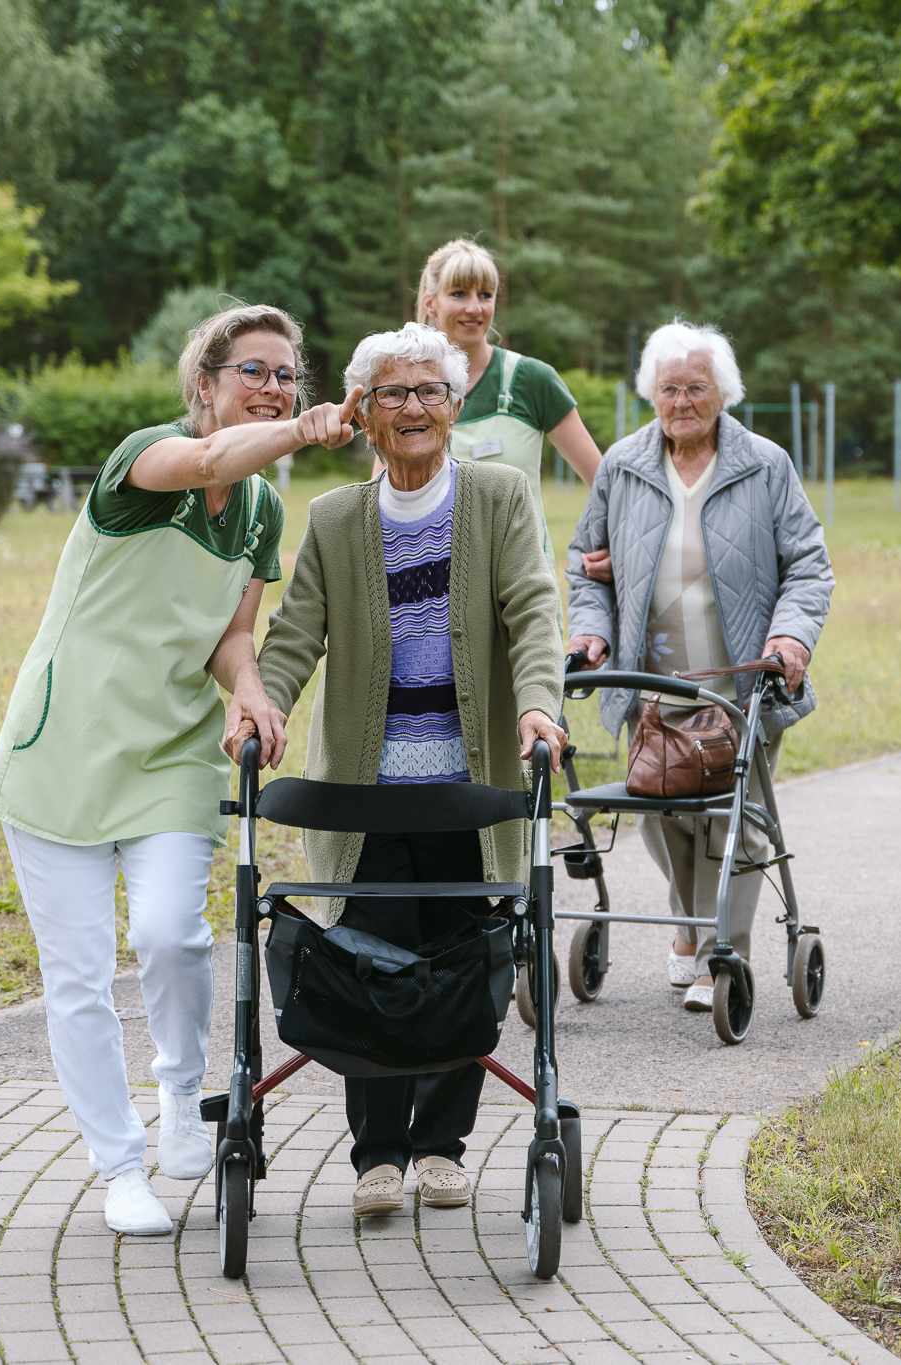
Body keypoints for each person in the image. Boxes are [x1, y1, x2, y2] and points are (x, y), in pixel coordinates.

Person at [0, 303, 359, 1236]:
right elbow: (209, 461)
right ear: (206, 385)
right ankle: (118, 1166)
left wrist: (250, 692)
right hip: (63, 746)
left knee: (172, 936)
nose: (274, 387)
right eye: (254, 372)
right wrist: (302, 429)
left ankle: (184, 1100)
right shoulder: (146, 459)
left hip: (174, 753)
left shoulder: (266, 509)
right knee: (75, 978)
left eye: (287, 376)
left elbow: (232, 635)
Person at [245, 321, 566, 1218]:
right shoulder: (337, 519)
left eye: (430, 391)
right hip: (369, 793)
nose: (414, 408)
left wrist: (540, 702)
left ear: (457, 405)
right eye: (393, 393)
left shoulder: (498, 498)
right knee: (372, 968)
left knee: (465, 964)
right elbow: (297, 632)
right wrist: (262, 705)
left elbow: (535, 608)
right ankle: (376, 1155)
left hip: (469, 791)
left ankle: (441, 1146)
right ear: (365, 414)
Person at [564, 319, 834, 1012]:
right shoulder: (623, 465)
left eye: (697, 388)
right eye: (670, 388)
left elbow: (808, 565)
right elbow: (585, 565)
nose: (682, 401)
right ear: (651, 394)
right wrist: (592, 633)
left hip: (742, 679)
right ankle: (689, 928)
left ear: (724, 393)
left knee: (731, 817)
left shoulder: (764, 463)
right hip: (649, 680)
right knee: (660, 812)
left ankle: (725, 952)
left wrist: (792, 640)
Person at [401, 238, 608, 576]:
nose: (475, 307)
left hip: (524, 595)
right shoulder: (403, 388)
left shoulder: (532, 380)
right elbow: (383, 504)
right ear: (430, 303)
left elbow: (605, 484)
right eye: (459, 294)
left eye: (485, 295)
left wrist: (614, 545)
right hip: (433, 596)